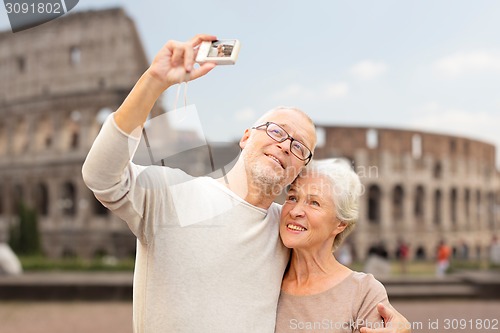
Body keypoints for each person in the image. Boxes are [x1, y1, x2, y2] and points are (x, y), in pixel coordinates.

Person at [82, 34, 410, 332]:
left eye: (299, 147)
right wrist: (153, 83)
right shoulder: (172, 193)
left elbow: (333, 282)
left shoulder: (285, 232)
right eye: (277, 131)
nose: (285, 145)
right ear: (246, 136)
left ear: (298, 171)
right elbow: (100, 176)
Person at [276, 159, 409, 333]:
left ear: (340, 224)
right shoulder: (265, 277)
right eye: (292, 198)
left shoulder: (363, 293)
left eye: (314, 202)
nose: (295, 211)